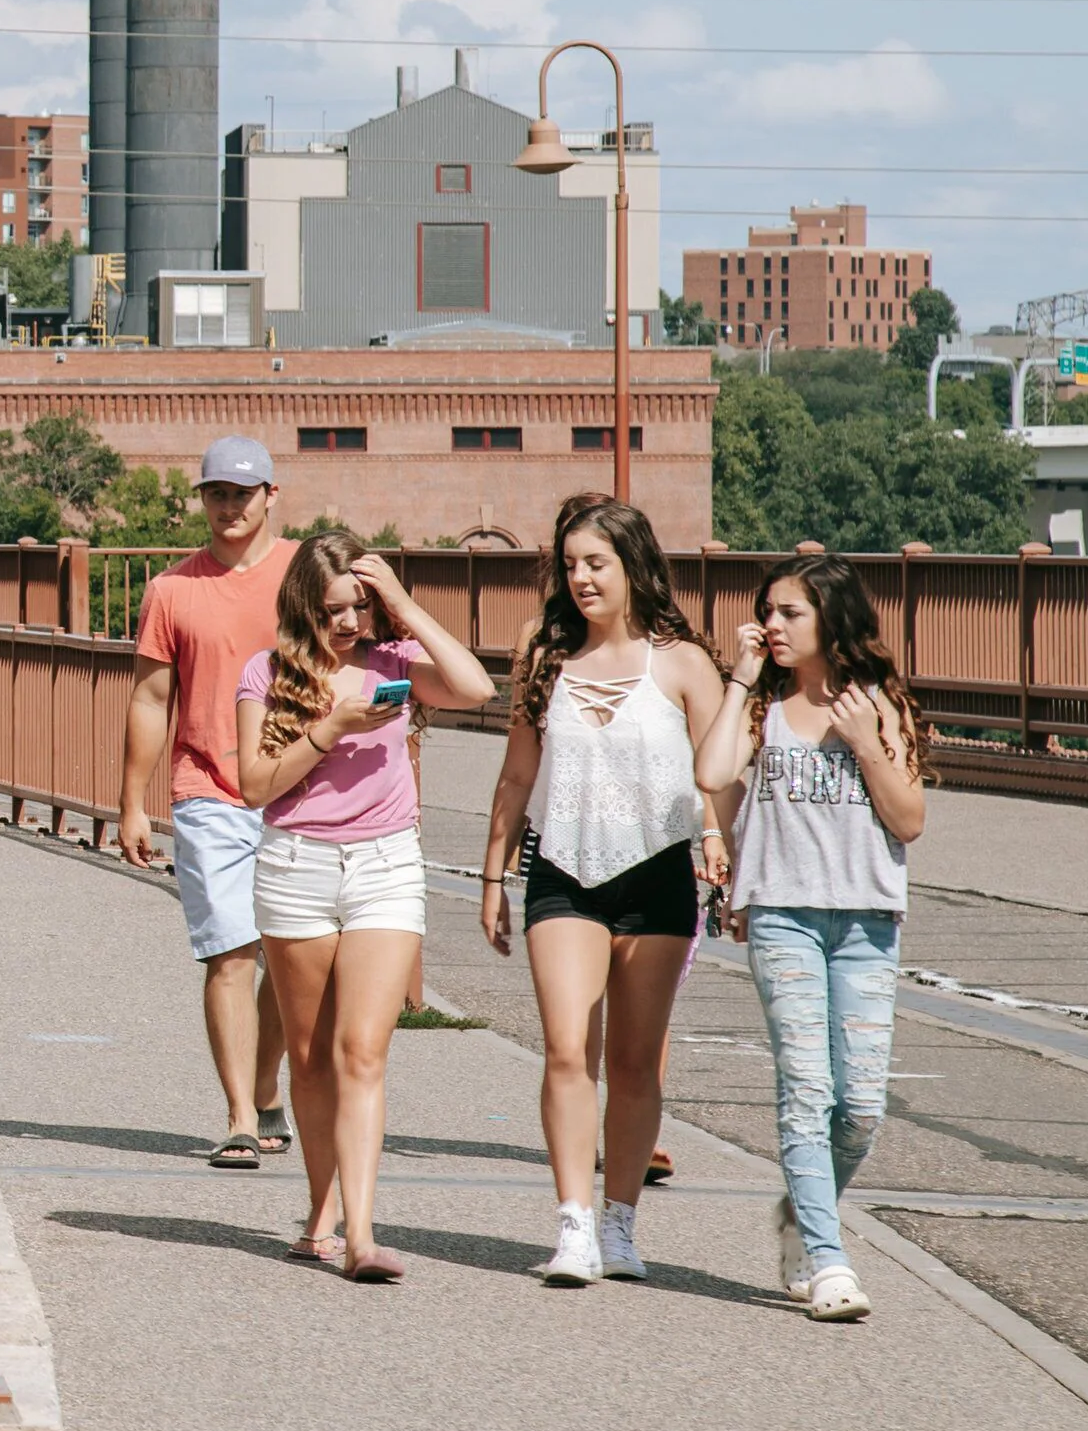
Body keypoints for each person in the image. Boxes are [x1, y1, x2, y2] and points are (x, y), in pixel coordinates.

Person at [479, 494, 729, 1288]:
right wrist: (492, 873)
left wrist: (719, 840)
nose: (582, 579)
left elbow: (721, 772)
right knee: (565, 1049)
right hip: (563, 871)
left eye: (597, 563)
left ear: (633, 567)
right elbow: (518, 773)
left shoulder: (682, 662)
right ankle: (574, 1225)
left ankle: (620, 1223)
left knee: (634, 1063)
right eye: (571, 565)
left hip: (657, 877)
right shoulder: (545, 656)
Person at [232, 533, 495, 1280]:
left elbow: (477, 688)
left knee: (362, 1051)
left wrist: (406, 606)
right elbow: (254, 785)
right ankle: (320, 1213)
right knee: (312, 1058)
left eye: (358, 607)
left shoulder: (396, 663)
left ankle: (360, 1234)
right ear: (302, 608)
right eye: (330, 610)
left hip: (384, 867)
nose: (346, 623)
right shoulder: (266, 673)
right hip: (297, 867)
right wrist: (330, 729)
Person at [695, 555, 928, 1323]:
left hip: (866, 923)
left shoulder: (878, 705)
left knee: (859, 1108)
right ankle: (829, 1262)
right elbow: (713, 772)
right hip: (783, 917)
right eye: (767, 611)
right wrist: (740, 678)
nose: (773, 624)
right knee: (806, 1090)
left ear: (831, 617)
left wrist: (865, 742)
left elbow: (909, 820)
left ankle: (801, 1212)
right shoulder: (763, 707)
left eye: (790, 612)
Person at [122, 435, 295, 1170]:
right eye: (217, 494)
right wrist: (132, 802)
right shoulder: (172, 590)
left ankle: (264, 1084)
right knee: (230, 951)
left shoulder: (304, 574)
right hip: (208, 791)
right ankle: (237, 1118)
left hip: (296, 788)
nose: (229, 507)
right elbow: (150, 698)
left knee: (288, 956)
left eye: (243, 494)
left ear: (270, 497)